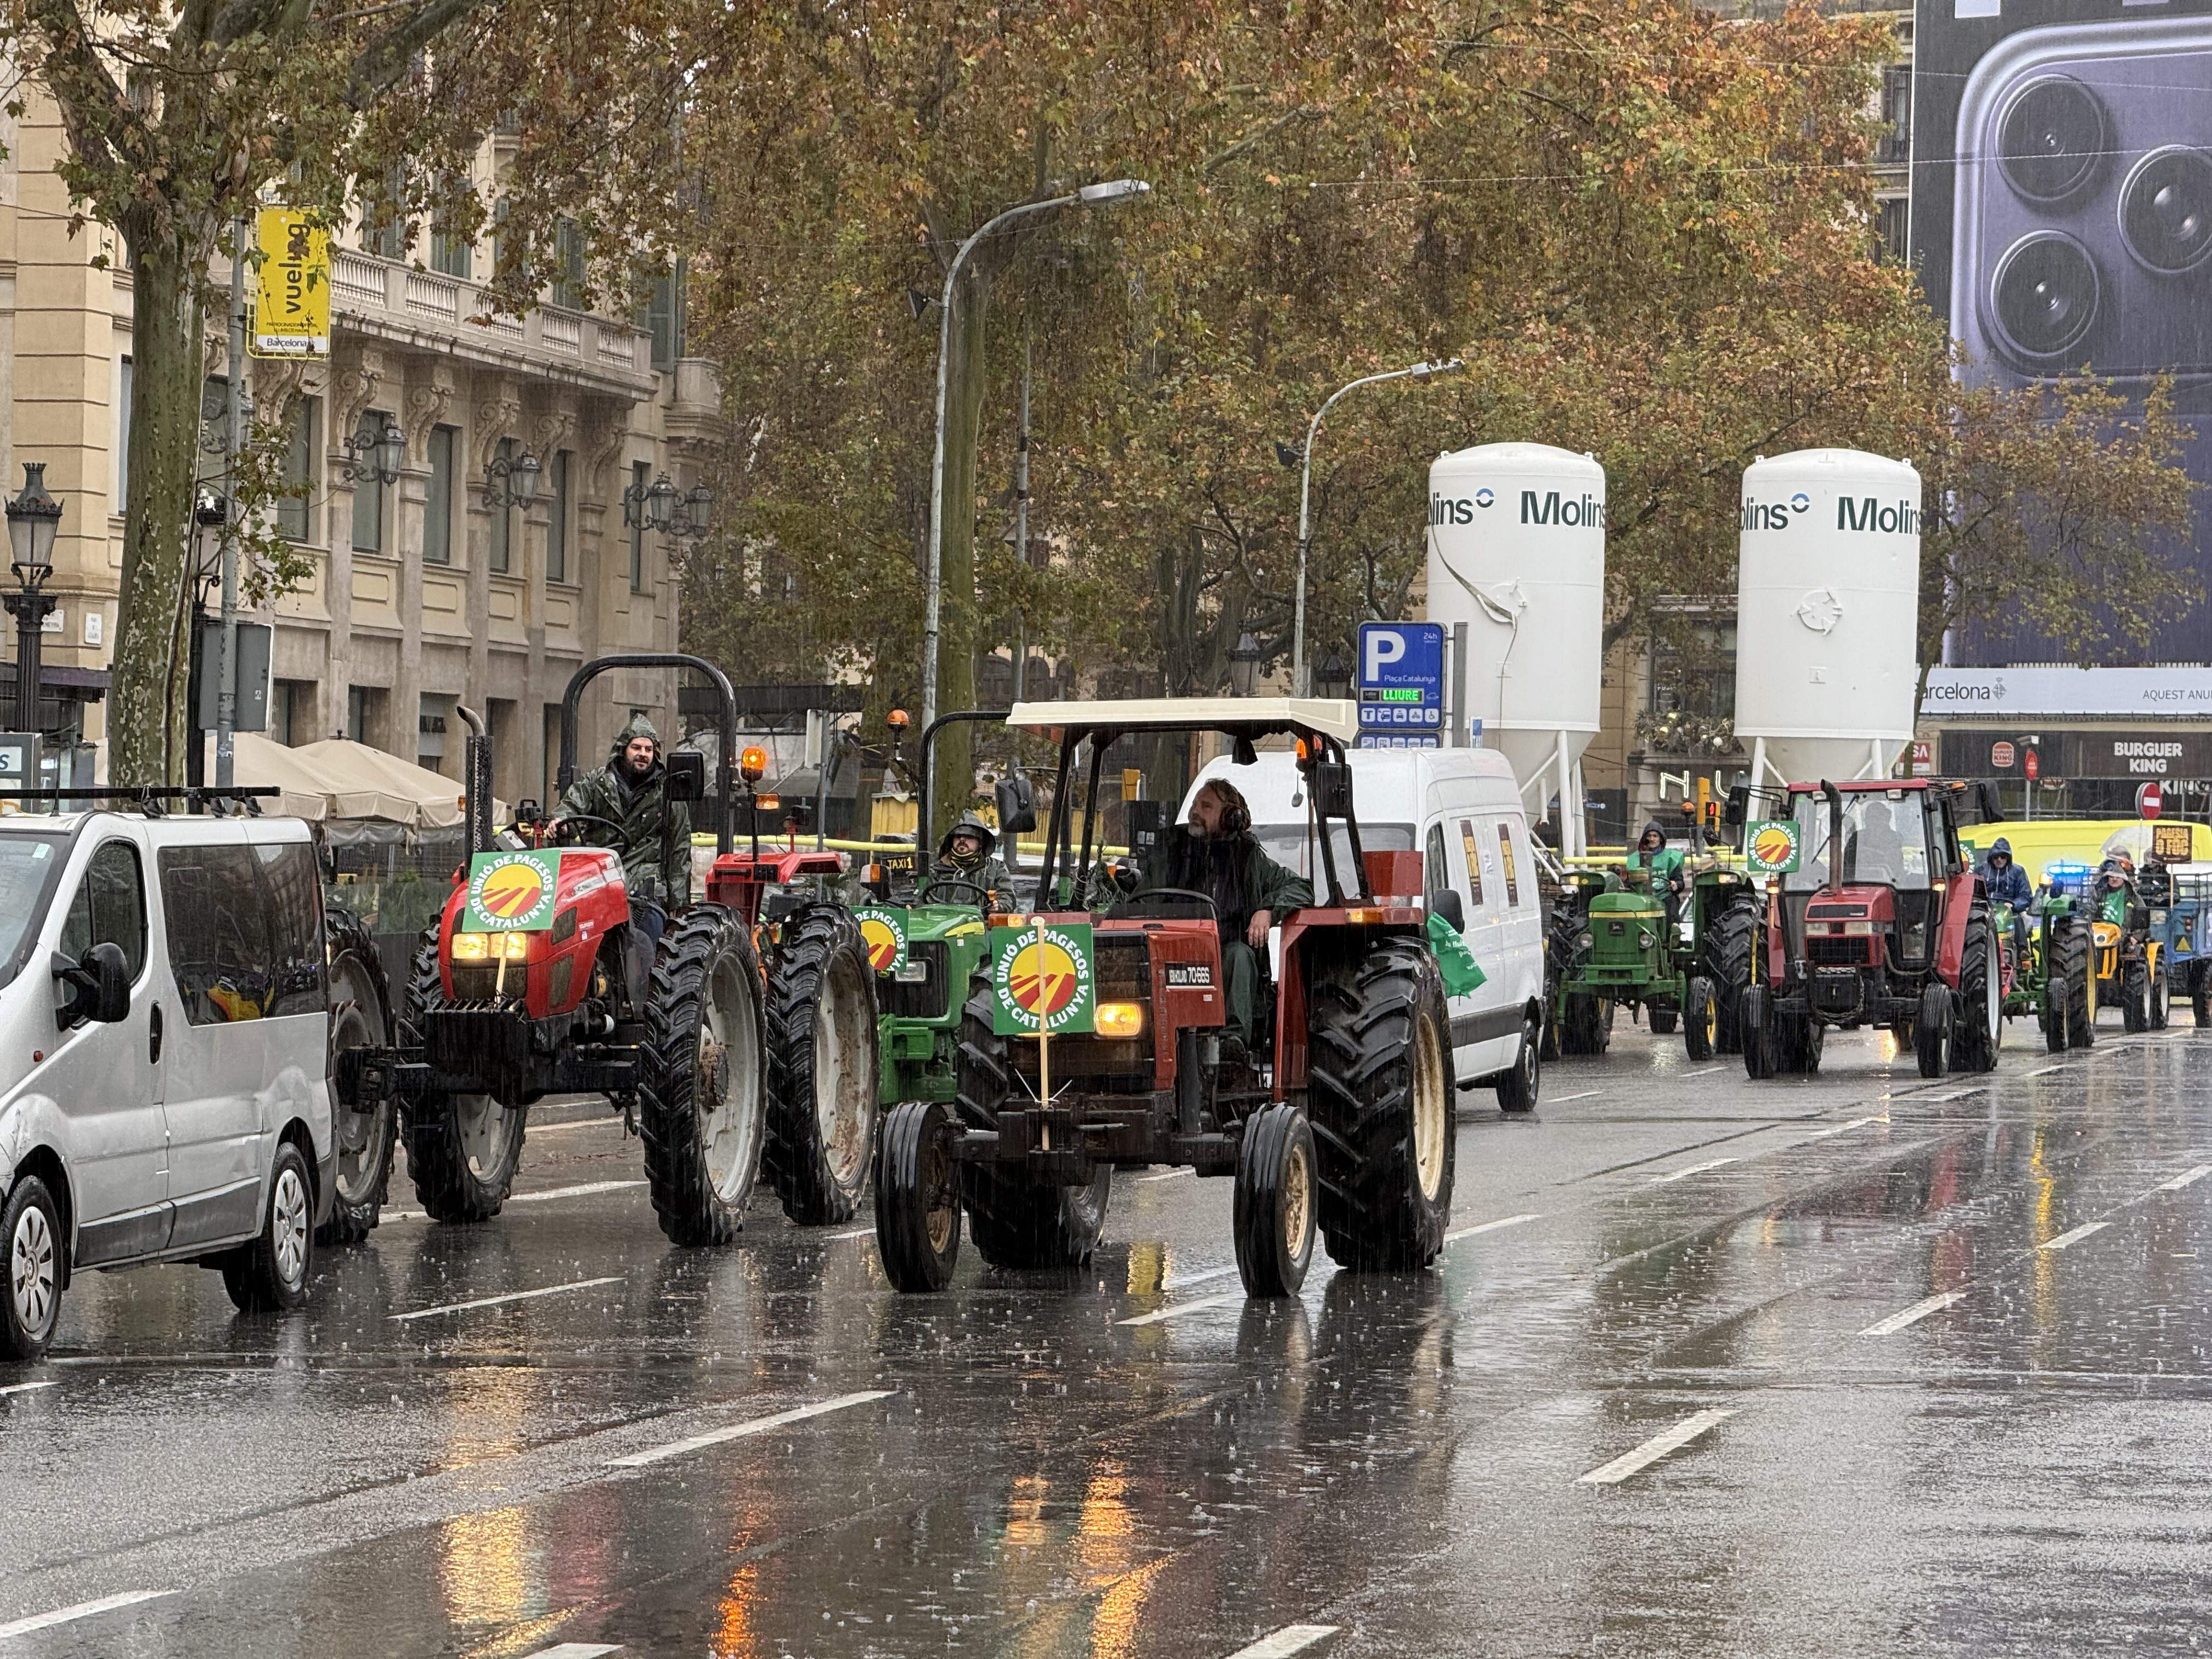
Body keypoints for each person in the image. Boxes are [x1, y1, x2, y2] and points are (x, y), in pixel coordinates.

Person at [1135, 778, 1312, 1048]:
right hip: (1171, 953)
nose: (1196, 810)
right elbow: (1141, 900)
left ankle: (1232, 1044)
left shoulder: (1249, 858)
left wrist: (1268, 910)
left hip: (1224, 957)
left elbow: (1301, 888)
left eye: (1206, 806)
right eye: (1195, 803)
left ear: (1230, 816)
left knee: (1238, 954)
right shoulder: (1171, 850)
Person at [560, 713, 691, 945]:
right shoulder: (595, 783)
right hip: (599, 877)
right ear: (623, 749)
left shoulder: (667, 794)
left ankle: (645, 977)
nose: (643, 754)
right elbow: (569, 809)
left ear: (655, 754)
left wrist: (679, 907)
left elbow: (680, 850)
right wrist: (559, 823)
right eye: (637, 747)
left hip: (646, 883)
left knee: (646, 944)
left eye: (649, 749)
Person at [928, 810, 1014, 902]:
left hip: (982, 916)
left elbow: (1008, 898)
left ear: (980, 842)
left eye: (969, 836)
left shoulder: (996, 868)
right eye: (958, 836)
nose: (962, 840)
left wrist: (998, 906)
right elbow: (923, 902)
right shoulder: (936, 870)